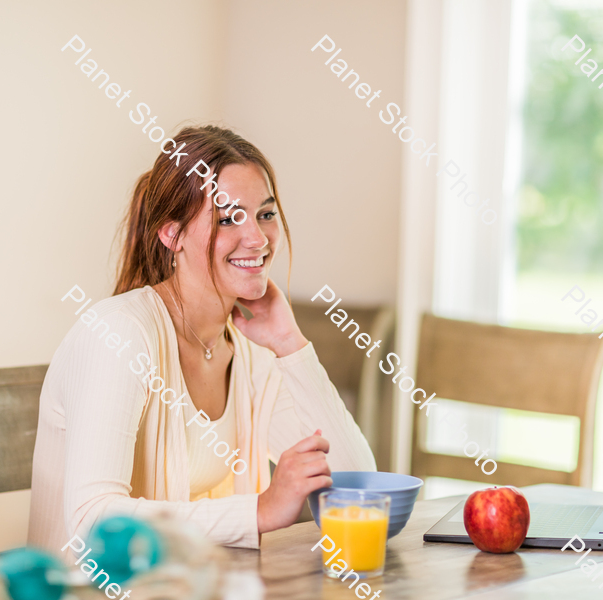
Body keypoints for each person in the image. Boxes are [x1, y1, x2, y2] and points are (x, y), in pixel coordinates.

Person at [28, 125, 376, 557]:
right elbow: (93, 520)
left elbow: (357, 486)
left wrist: (289, 342)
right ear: (171, 234)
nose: (257, 238)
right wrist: (259, 511)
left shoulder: (251, 349)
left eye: (265, 214)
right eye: (229, 218)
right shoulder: (119, 335)